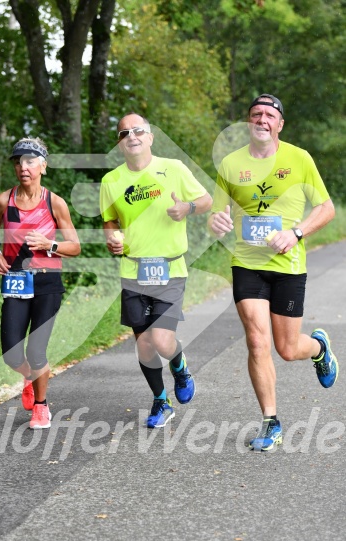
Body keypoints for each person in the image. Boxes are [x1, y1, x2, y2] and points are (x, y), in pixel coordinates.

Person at [209, 93, 339, 452]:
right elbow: (215, 217)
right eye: (255, 114)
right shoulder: (231, 164)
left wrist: (295, 232)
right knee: (256, 340)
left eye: (269, 114)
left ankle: (317, 348)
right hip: (247, 263)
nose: (262, 119)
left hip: (288, 265)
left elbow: (326, 208)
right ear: (248, 123)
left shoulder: (299, 159)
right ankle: (270, 421)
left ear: (280, 124)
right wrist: (216, 220)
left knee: (286, 347)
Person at [100, 112, 212, 428]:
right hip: (133, 271)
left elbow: (206, 200)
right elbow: (110, 221)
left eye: (138, 130)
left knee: (162, 340)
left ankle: (179, 365)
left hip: (170, 268)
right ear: (120, 143)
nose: (132, 136)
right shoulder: (111, 181)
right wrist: (112, 237)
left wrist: (186, 208)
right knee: (144, 343)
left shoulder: (173, 169)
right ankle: (161, 401)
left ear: (150, 137)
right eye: (124, 133)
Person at [0, 137, 81, 429]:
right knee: (12, 352)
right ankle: (30, 377)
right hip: (15, 280)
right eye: (18, 162)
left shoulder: (55, 203)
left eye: (29, 161)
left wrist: (49, 244)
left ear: (43, 166)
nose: (23, 167)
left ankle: (40, 406)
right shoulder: (4, 200)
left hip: (47, 282)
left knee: (36, 350)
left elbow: (75, 246)